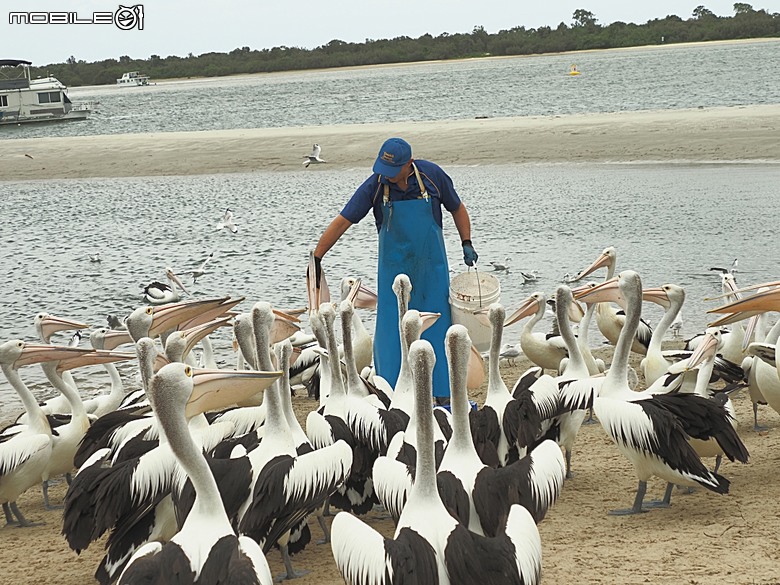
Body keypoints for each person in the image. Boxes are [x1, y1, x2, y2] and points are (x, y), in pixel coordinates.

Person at [310, 137, 477, 402]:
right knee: (391, 333)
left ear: (409, 163)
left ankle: (444, 395)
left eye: (392, 170)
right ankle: (391, 394)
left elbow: (457, 208)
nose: (386, 175)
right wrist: (317, 256)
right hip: (392, 274)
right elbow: (343, 221)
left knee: (438, 328)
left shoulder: (432, 176)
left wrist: (466, 242)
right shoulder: (376, 185)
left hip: (431, 273)